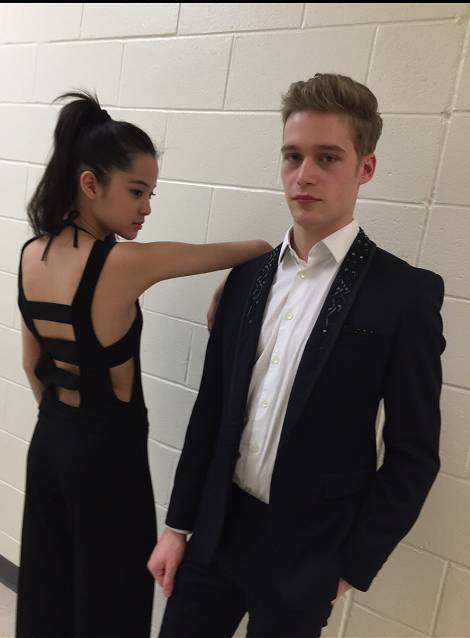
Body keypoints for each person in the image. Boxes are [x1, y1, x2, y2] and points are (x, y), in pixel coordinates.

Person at [149, 73, 446, 638]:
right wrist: (176, 527)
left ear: (365, 168)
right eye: (293, 156)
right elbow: (210, 410)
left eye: (327, 157)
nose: (304, 174)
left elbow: (414, 454)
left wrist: (350, 566)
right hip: (216, 533)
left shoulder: (403, 296)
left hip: (308, 553)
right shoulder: (245, 280)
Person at [15, 90, 271, 638]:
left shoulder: (30, 253)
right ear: (90, 184)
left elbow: (30, 363)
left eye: (151, 194)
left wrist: (65, 426)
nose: (146, 208)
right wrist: (229, 283)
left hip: (50, 442)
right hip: (108, 456)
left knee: (48, 587)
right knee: (111, 598)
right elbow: (255, 247)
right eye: (136, 191)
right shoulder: (125, 263)